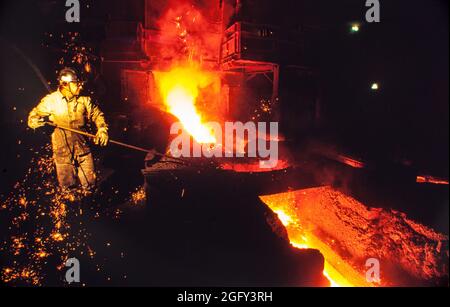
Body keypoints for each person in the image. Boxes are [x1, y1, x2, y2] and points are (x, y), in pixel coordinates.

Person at [28, 67, 109, 194]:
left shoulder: (84, 100)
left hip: (83, 151)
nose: (80, 86)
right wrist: (35, 121)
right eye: (76, 83)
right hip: (63, 154)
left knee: (91, 186)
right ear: (65, 85)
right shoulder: (51, 101)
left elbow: (97, 115)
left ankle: (89, 207)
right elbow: (33, 116)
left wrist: (102, 129)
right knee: (68, 192)